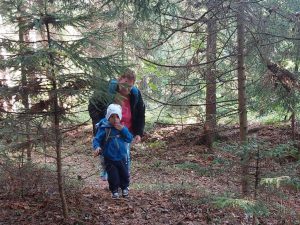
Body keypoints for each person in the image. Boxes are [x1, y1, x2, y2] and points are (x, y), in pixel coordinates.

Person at [88, 69, 145, 181]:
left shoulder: (135, 94)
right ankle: (111, 180)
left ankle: (120, 184)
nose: (126, 89)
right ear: (119, 80)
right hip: (107, 132)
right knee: (108, 158)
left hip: (125, 132)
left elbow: (140, 114)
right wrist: (101, 123)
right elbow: (92, 106)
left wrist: (139, 132)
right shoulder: (107, 90)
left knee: (123, 158)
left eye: (129, 86)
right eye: (124, 84)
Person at [93, 104, 133, 199]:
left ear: (120, 117)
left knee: (124, 173)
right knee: (113, 176)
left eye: (117, 117)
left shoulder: (121, 128)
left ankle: (124, 188)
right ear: (108, 117)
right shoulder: (104, 128)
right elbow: (96, 139)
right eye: (112, 116)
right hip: (109, 157)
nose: (115, 119)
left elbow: (129, 138)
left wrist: (123, 130)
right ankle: (114, 191)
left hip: (122, 156)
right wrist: (97, 147)